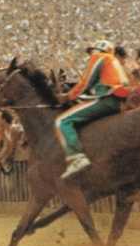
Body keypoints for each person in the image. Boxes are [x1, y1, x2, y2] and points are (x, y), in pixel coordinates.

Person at [55, 40, 130, 180]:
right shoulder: (113, 62)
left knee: (62, 121)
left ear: (98, 49)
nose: (90, 55)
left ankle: (76, 157)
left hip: (108, 98)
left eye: (91, 51)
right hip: (118, 100)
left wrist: (67, 96)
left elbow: (85, 83)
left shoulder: (100, 57)